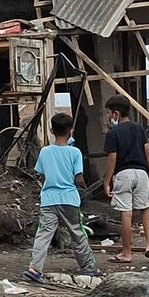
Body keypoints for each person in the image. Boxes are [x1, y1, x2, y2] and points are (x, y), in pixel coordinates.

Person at [23, 112, 100, 284]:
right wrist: (83, 187)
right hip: (69, 199)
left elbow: (41, 177)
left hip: (49, 199)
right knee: (77, 233)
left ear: (51, 130)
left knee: (43, 235)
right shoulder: (75, 152)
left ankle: (34, 269)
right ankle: (89, 268)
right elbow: (78, 177)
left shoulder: (45, 152)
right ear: (70, 131)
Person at [101, 95, 149, 263]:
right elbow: (148, 152)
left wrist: (107, 181)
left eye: (108, 113)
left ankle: (126, 253)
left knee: (126, 213)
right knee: (146, 208)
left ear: (116, 114)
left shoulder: (113, 133)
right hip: (142, 173)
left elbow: (112, 159)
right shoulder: (139, 129)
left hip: (124, 174)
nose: (108, 117)